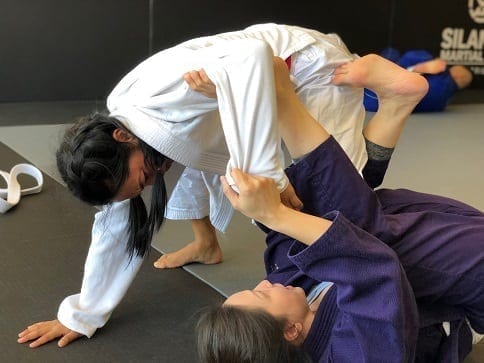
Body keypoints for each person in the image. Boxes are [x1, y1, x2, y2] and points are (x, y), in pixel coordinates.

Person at [16, 34, 425, 348]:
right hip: (244, 98)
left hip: (304, 66)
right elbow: (116, 226)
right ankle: (206, 245)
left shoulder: (154, 98)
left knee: (342, 195)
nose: (147, 185)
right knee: (191, 163)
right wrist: (80, 315)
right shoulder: (131, 141)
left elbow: (253, 56)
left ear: (123, 136)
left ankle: (394, 101)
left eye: (138, 178)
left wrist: (270, 179)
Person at [196, 56, 484, 362]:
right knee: (359, 238)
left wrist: (242, 115)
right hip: (474, 270)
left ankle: (387, 105)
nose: (265, 283)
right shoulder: (357, 355)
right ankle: (284, 97)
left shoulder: (289, 294)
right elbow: (372, 266)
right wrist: (274, 215)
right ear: (291, 331)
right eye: (262, 294)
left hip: (432, 233)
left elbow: (293, 228)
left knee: (322, 220)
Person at [364, 48, 474, 113]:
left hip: (375, 95)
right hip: (378, 103)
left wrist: (419, 68)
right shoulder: (441, 105)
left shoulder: (442, 77)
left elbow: (403, 82)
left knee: (391, 52)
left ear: (459, 75)